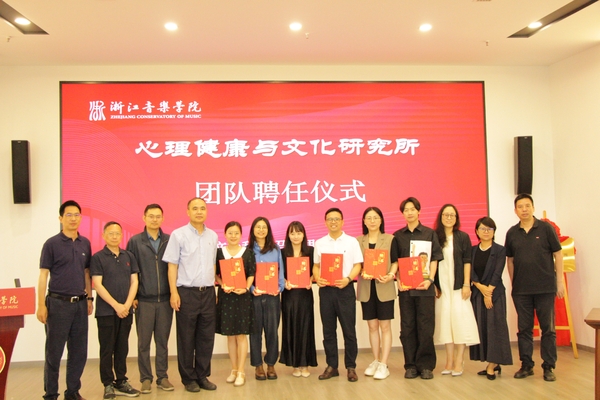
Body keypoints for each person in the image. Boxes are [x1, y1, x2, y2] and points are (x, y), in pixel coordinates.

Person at [505, 194, 564, 382]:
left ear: (533, 208)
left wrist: (560, 282)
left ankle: (548, 366)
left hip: (545, 288)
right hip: (521, 291)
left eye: (527, 205)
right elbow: (510, 260)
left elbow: (558, 254)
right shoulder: (512, 233)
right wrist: (514, 283)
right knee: (524, 329)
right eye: (520, 206)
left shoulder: (546, 229)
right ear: (515, 211)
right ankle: (526, 365)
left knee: (548, 329)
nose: (524, 209)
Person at [37, 200, 93, 400]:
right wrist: (40, 305)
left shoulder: (85, 243)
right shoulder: (51, 244)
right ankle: (51, 394)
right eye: (69, 215)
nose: (73, 218)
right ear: (61, 218)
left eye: (76, 215)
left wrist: (89, 298)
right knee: (54, 353)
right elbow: (43, 275)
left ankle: (72, 392)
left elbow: (86, 273)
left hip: (80, 304)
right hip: (57, 304)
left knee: (79, 352)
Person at [162, 198, 219, 392]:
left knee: (206, 337)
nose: (199, 212)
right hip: (186, 292)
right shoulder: (178, 235)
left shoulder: (213, 235)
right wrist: (174, 292)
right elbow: (172, 266)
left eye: (202, 208)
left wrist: (213, 288)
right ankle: (188, 379)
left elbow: (212, 264)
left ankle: (202, 376)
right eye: (195, 208)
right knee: (186, 338)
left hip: (208, 292)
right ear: (188, 212)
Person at [392, 197, 443, 380]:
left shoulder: (430, 234)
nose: (410, 212)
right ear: (403, 213)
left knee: (426, 327)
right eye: (406, 210)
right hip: (406, 290)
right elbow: (396, 262)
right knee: (407, 328)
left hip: (425, 288)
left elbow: (434, 259)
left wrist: (430, 280)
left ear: (419, 211)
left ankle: (426, 366)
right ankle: (411, 365)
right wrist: (398, 279)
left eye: (412, 209)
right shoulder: (397, 236)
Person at [126, 204, 173, 393]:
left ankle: (162, 377)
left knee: (162, 342)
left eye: (158, 216)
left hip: (165, 300)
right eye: (151, 216)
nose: (154, 219)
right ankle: (145, 378)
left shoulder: (169, 240)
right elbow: (129, 270)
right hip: (144, 300)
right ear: (144, 218)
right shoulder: (135, 241)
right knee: (143, 343)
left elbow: (175, 268)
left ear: (163, 218)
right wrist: (133, 296)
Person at [91, 222, 140, 399]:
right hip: (106, 312)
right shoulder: (97, 257)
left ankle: (121, 381)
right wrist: (116, 305)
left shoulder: (129, 256)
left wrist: (126, 305)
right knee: (107, 349)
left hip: (126, 311)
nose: (114, 236)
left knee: (122, 348)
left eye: (117, 233)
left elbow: (134, 281)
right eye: (110, 233)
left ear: (121, 236)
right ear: (103, 235)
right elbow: (97, 284)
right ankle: (107, 384)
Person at [313, 208, 363, 382]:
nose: (333, 222)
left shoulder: (352, 242)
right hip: (326, 291)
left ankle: (351, 367)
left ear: (342, 221)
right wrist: (317, 277)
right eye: (330, 219)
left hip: (345, 290)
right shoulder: (319, 243)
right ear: (325, 222)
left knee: (349, 331)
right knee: (328, 331)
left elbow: (358, 265)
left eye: (336, 219)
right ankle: (332, 366)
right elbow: (316, 266)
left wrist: (348, 279)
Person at [433, 204, 479, 376]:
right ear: (441, 217)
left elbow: (467, 261)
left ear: (456, 218)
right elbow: (430, 261)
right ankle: (449, 361)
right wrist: (435, 284)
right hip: (443, 288)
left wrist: (467, 284)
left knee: (460, 322)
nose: (449, 217)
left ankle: (459, 360)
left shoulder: (463, 237)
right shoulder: (435, 237)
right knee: (446, 323)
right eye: (446, 214)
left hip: (459, 287)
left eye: (452, 215)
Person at [356, 207, 398, 380]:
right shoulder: (358, 241)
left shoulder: (390, 239)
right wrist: (362, 271)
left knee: (385, 327)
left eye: (375, 217)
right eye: (369, 218)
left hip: (384, 287)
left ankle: (384, 364)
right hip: (367, 288)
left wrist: (390, 275)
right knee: (372, 327)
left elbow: (395, 262)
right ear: (364, 221)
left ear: (381, 220)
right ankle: (375, 360)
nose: (372, 221)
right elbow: (356, 264)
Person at [470, 216, 513, 380]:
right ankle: (493, 362)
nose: (486, 232)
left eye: (489, 229)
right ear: (477, 231)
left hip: (496, 294)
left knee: (496, 328)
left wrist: (489, 292)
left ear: (494, 232)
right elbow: (471, 272)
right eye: (482, 228)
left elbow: (497, 272)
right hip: (478, 293)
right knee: (483, 328)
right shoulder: (473, 250)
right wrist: (482, 289)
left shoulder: (500, 250)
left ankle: (492, 365)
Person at [215, 221, 256, 387]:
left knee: (241, 335)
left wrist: (245, 288)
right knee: (230, 335)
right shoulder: (219, 252)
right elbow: (215, 274)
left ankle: (241, 371)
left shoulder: (248, 253)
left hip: (242, 297)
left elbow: (251, 273)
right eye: (230, 233)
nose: (233, 236)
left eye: (236, 233)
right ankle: (233, 369)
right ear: (225, 234)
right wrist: (222, 284)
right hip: (226, 297)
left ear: (241, 235)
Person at [248, 217, 285, 381]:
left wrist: (280, 287)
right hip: (255, 297)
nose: (261, 230)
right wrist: (252, 289)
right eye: (258, 227)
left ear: (268, 230)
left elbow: (281, 271)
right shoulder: (248, 250)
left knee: (272, 332)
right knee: (255, 332)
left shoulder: (275, 249)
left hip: (272, 297)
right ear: (253, 230)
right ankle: (258, 365)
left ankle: (271, 364)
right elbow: (245, 273)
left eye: (264, 227)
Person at [279, 221, 317, 377]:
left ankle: (305, 363)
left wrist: (311, 279)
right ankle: (295, 364)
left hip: (305, 294)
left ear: (303, 234)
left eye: (298, 233)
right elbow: (278, 272)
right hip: (289, 295)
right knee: (291, 328)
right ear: (288, 235)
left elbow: (316, 270)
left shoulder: (311, 251)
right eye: (292, 233)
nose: (296, 236)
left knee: (306, 327)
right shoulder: (282, 253)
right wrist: (284, 282)